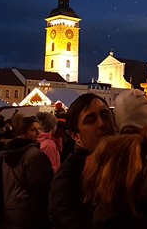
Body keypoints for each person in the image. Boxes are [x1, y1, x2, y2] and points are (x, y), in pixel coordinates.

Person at [49, 93, 116, 229]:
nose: (102, 124)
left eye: (105, 115)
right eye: (90, 120)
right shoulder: (69, 177)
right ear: (75, 136)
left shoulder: (119, 161)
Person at [0, 114, 53, 229]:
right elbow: (43, 187)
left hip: (11, 209)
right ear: (23, 132)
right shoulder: (34, 155)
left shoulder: (6, 154)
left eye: (38, 129)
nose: (38, 132)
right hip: (30, 211)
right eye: (33, 130)